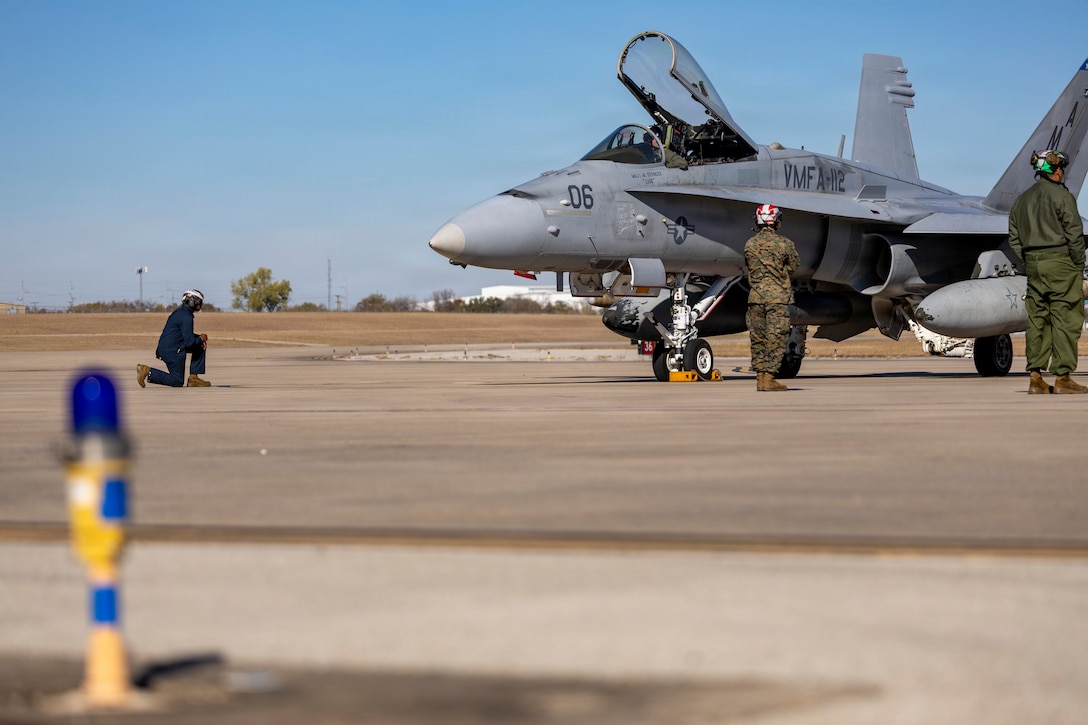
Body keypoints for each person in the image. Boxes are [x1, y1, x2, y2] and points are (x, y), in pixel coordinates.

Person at [1008, 150, 1086, 394]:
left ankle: (1035, 377)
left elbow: (1014, 238)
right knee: (1066, 318)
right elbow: (1074, 234)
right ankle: (1063, 378)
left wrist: (1029, 260)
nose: (1062, 172)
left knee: (1037, 320)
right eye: (1060, 167)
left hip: (1034, 265)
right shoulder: (1062, 197)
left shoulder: (1021, 200)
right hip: (1061, 264)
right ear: (1053, 170)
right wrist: (1078, 264)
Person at [744, 203, 799, 391]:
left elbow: (749, 266)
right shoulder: (785, 244)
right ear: (776, 221)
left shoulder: (750, 244)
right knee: (776, 338)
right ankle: (768, 378)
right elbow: (793, 266)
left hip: (755, 298)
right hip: (777, 298)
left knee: (757, 338)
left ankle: (760, 378)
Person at [137, 289, 211, 388]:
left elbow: (185, 335)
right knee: (177, 380)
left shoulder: (181, 312)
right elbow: (189, 342)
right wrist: (201, 338)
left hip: (169, 347)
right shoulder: (186, 317)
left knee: (199, 345)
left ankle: (194, 378)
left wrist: (199, 339)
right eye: (199, 302)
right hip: (172, 351)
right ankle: (147, 371)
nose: (200, 305)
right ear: (192, 301)